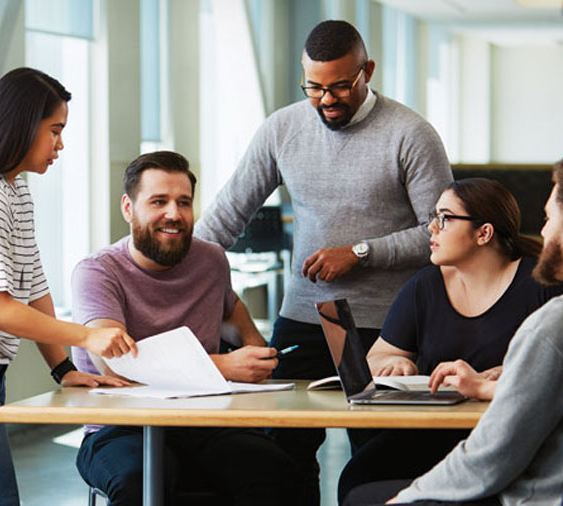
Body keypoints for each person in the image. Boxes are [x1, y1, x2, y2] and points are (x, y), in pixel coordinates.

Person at [194, 19, 453, 502]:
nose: (326, 99)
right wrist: (164, 266)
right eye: (314, 87)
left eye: (340, 87)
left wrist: (360, 253)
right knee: (281, 455)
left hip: (390, 326)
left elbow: (441, 231)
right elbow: (227, 214)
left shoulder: (410, 133)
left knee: (377, 458)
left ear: (366, 71)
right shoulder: (282, 128)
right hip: (305, 318)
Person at [0, 68, 136, 506]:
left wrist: (63, 369)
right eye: (55, 131)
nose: (60, 144)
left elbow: (33, 285)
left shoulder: (14, 191)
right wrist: (88, 336)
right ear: (23, 124)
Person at [71, 150, 299, 506]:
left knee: (276, 472)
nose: (174, 215)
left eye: (184, 203)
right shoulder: (98, 271)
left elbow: (236, 321)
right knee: (140, 483)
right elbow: (116, 366)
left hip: (204, 423)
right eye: (158, 202)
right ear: (128, 208)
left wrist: (257, 355)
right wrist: (223, 365)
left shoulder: (211, 260)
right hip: (118, 428)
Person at [341, 159, 563, 506]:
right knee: (360, 475)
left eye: (445, 219)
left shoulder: (545, 294)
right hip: (432, 430)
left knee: (366, 493)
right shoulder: (425, 286)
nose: (431, 228)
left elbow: (499, 451)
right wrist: (397, 363)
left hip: (500, 434)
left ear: (484, 233)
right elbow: (380, 356)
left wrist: (514, 374)